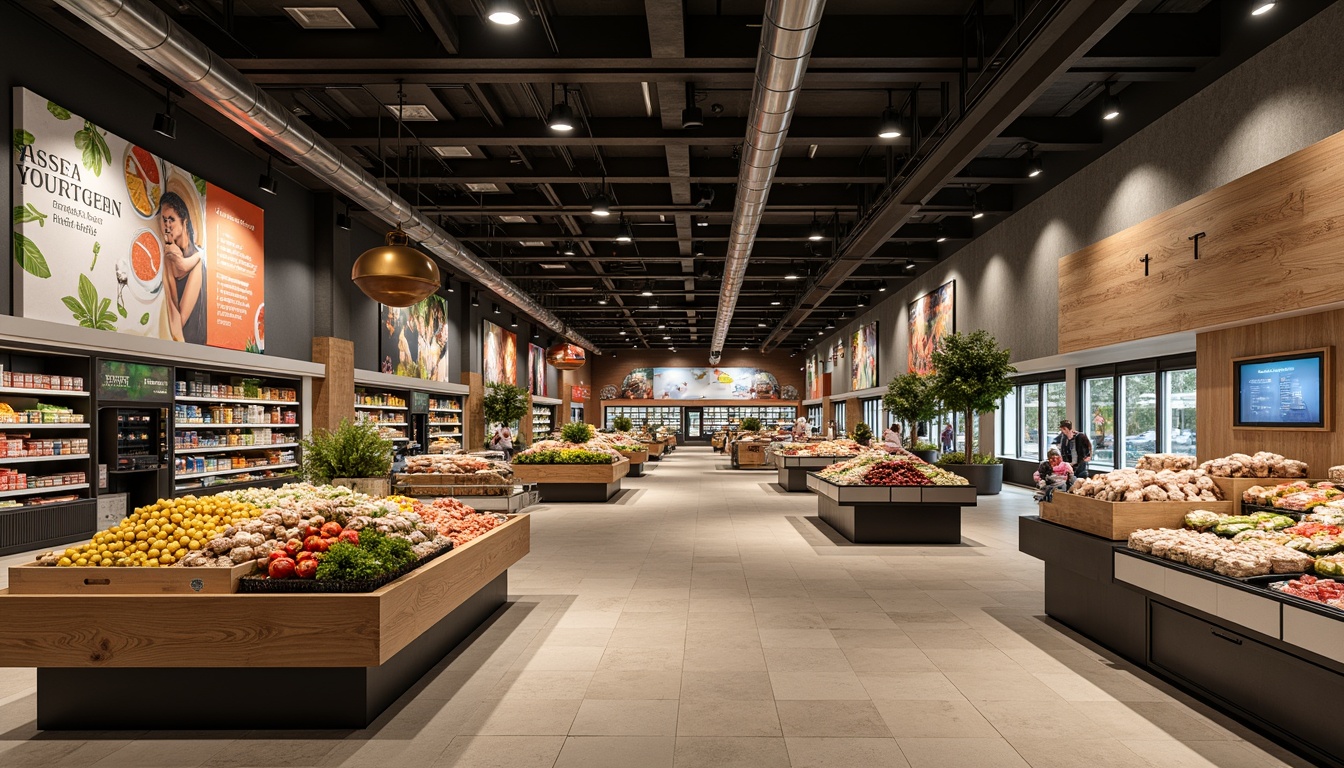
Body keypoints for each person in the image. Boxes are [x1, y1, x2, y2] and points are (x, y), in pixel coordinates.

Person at [160, 192, 206, 345]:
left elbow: (177, 324)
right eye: (164, 219)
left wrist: (172, 266)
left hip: (192, 347)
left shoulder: (197, 265)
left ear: (184, 222)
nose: (167, 225)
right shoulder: (173, 255)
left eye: (171, 219)